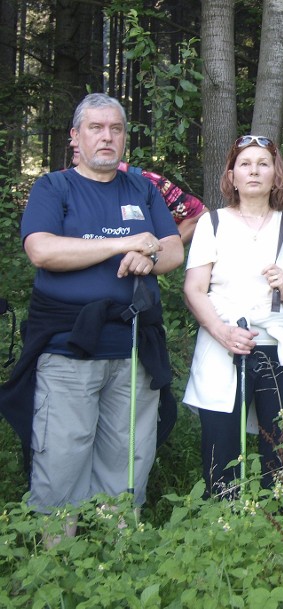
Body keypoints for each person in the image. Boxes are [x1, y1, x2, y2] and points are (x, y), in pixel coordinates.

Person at [0, 93, 183, 526]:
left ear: (124, 139)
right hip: (68, 347)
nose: (107, 137)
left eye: (115, 129)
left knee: (129, 453)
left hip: (133, 345)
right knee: (62, 451)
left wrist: (151, 256)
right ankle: (58, 554)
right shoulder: (54, 187)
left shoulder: (142, 188)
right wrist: (125, 243)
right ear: (75, 138)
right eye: (96, 128)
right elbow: (42, 250)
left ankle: (118, 547)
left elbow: (172, 247)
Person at [182, 135, 283, 498]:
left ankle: (279, 522)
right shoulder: (211, 224)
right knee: (221, 445)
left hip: (281, 346)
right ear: (231, 176)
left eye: (263, 164)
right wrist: (221, 331)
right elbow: (194, 289)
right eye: (245, 164)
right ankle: (223, 520)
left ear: (276, 175)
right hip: (224, 345)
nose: (254, 171)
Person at [68, 141, 207, 244]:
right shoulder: (59, 186)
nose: (73, 143)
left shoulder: (147, 183)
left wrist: (158, 252)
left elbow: (199, 214)